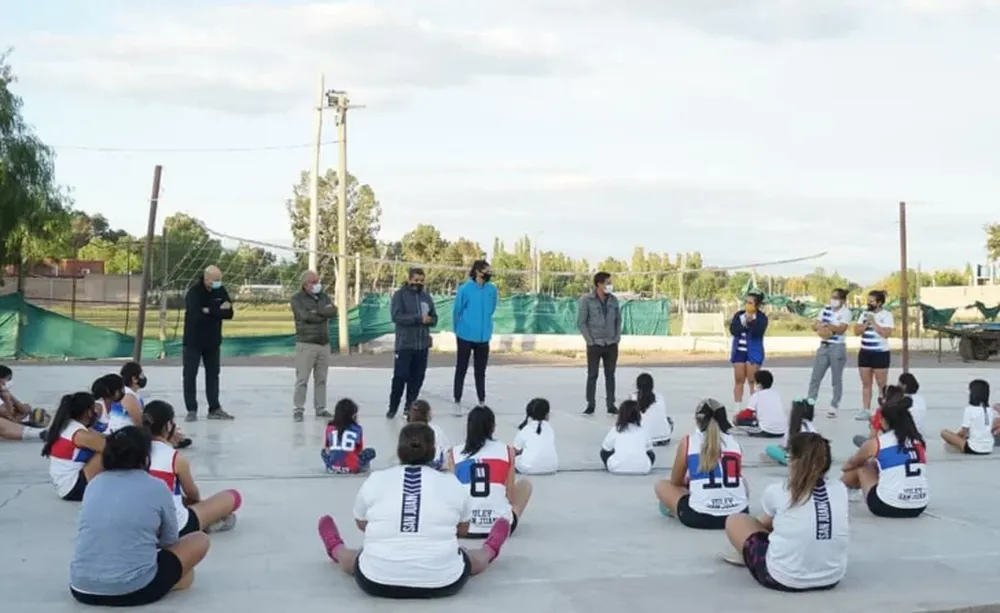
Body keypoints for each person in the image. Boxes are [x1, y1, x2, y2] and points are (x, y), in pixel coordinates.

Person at [315, 423, 512, 599]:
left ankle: (335, 548)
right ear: (433, 450)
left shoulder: (377, 479)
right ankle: (490, 549)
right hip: (442, 581)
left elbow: (361, 523)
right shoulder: (452, 483)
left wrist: (393, 527)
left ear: (399, 450)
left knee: (356, 558)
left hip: (377, 581)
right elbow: (463, 529)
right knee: (471, 559)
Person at [68, 426, 210, 607]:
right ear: (146, 456)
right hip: (132, 589)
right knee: (199, 541)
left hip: (81, 588)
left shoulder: (95, 483)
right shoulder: (157, 487)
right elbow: (170, 540)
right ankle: (170, 581)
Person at [722, 433, 849, 592]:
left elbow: (763, 523)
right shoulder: (840, 489)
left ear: (792, 460)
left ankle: (750, 554)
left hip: (784, 578)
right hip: (831, 578)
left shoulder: (779, 491)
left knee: (736, 521)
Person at [144, 400, 241, 535]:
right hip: (174, 526)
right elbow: (192, 495)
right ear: (168, 426)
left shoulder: (133, 451)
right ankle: (206, 522)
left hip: (141, 522)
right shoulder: (175, 458)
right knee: (233, 497)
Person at [654, 398, 749, 529]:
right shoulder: (734, 444)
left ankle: (676, 511)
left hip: (701, 517)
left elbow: (675, 481)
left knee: (662, 486)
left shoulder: (689, 442)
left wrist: (690, 481)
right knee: (742, 481)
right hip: (737, 515)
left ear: (698, 421)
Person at [447, 406, 533, 537]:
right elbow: (510, 496)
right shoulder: (506, 451)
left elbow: (452, 495)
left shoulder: (455, 453)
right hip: (500, 527)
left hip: (464, 528)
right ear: (493, 427)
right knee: (525, 485)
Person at [842, 396, 928, 518]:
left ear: (885, 421)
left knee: (862, 468)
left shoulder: (878, 442)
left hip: (888, 506)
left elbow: (850, 464)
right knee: (877, 463)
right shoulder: (918, 441)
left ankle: (838, 491)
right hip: (919, 506)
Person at [182, 265, 235, 422]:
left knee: (213, 375)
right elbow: (196, 316)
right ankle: (191, 409)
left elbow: (229, 312)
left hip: (213, 341)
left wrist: (209, 310)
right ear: (206, 278)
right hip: (193, 341)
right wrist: (217, 310)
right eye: (215, 280)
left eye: (220, 279)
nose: (218, 282)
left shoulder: (221, 290)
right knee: (190, 374)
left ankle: (215, 408)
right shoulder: (194, 293)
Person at [387, 268, 437, 419]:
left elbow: (434, 317)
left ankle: (410, 407)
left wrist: (431, 320)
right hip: (405, 345)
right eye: (416, 280)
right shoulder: (400, 295)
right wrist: (418, 319)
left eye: (421, 280)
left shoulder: (426, 297)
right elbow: (397, 316)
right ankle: (393, 407)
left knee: (417, 378)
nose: (418, 283)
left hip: (422, 346)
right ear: (409, 279)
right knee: (400, 377)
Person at [452, 259, 498, 415]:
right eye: (486, 270)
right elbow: (457, 310)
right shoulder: (465, 289)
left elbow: (492, 308)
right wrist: (458, 329)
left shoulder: (492, 289)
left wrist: (485, 327)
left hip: (483, 337)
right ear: (478, 271)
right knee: (461, 368)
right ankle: (457, 399)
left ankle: (482, 400)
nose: (489, 273)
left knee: (481, 370)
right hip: (465, 335)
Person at [42, 392, 106, 501]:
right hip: (73, 488)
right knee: (109, 452)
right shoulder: (78, 434)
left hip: (65, 486)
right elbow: (110, 446)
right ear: (88, 412)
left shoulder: (69, 426)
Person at [110, 362, 192, 448]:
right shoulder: (128, 396)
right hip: (123, 436)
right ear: (134, 379)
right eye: (141, 375)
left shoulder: (132, 395)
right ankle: (172, 439)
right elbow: (140, 423)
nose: (143, 377)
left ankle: (173, 437)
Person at [291, 269, 336, 422]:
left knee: (321, 378)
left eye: (318, 281)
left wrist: (317, 312)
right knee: (302, 378)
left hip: (324, 343)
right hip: (306, 343)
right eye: (314, 282)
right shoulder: (297, 299)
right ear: (305, 284)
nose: (318, 285)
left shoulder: (324, 297)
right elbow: (305, 316)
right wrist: (322, 312)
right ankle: (298, 409)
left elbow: (333, 311)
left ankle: (321, 408)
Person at [577, 271, 621, 415]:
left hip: (611, 344)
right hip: (595, 344)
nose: (610, 285)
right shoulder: (586, 300)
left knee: (610, 375)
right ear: (599, 284)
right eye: (608, 283)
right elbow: (582, 322)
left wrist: (616, 338)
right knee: (592, 375)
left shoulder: (614, 300)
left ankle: (611, 404)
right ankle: (591, 404)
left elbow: (618, 320)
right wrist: (590, 341)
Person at [806, 289, 853, 419]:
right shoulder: (824, 310)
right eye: (832, 297)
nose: (833, 300)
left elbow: (841, 329)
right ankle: (810, 403)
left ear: (843, 300)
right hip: (824, 346)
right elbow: (815, 325)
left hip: (837, 347)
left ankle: (834, 405)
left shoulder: (846, 312)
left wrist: (827, 326)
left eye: (836, 298)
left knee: (836, 379)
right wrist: (818, 326)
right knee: (815, 377)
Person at [853, 289, 894, 421]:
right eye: (868, 301)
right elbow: (856, 330)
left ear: (879, 302)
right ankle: (865, 409)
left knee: (881, 384)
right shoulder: (864, 313)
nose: (869, 303)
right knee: (866, 383)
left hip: (880, 353)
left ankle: (883, 410)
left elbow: (886, 333)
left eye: (872, 301)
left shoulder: (887, 315)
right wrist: (866, 323)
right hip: (865, 352)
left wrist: (874, 323)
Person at [729, 292, 769, 406]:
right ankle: (737, 407)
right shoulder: (739, 315)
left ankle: (753, 408)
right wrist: (744, 323)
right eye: (746, 302)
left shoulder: (761, 318)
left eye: (750, 303)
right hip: (739, 351)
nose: (748, 304)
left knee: (752, 381)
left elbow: (758, 332)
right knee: (739, 380)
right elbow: (733, 330)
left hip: (754, 352)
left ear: (757, 304)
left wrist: (752, 322)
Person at [941, 379, 999, 455]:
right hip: (989, 447)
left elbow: (964, 432)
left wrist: (955, 438)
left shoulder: (969, 409)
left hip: (974, 448)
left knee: (944, 433)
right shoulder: (990, 410)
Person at [322, 398, 377, 474]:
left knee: (323, 452)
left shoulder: (329, 428)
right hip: (353, 467)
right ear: (353, 416)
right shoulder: (357, 429)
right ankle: (360, 467)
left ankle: (333, 466)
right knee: (371, 451)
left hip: (333, 467)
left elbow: (327, 448)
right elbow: (359, 449)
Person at [600, 400, 655, 475]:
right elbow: (649, 450)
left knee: (605, 452)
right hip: (643, 468)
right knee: (651, 454)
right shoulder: (643, 430)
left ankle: (619, 463)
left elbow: (605, 449)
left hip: (617, 468)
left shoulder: (617, 429)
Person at [763, 398, 817, 466]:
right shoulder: (811, 426)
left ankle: (788, 461)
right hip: (814, 460)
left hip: (799, 460)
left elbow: (786, 446)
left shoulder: (793, 427)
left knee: (770, 449)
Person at [513, 398, 559, 475]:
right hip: (552, 466)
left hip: (531, 468)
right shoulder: (550, 428)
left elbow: (515, 450)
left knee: (515, 458)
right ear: (547, 415)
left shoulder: (526, 429)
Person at [734, 370, 784, 438]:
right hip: (781, 431)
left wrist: (737, 416)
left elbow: (748, 413)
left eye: (755, 382)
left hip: (766, 430)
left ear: (759, 384)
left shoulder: (757, 395)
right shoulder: (776, 394)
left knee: (739, 420)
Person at [0, 364, 50, 428]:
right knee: (10, 412)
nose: (5, 384)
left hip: (8, 420)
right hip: (5, 422)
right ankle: (16, 424)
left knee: (23, 409)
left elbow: (25, 409)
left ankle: (16, 423)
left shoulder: (4, 392)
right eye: (6, 380)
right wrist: (7, 400)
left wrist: (9, 395)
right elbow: (8, 414)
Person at [632, 373, 673, 446]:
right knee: (668, 420)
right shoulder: (660, 397)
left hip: (642, 440)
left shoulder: (633, 397)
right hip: (664, 438)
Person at [408, 399, 449, 470]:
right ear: (428, 414)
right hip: (435, 469)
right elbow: (446, 451)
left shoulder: (406, 431)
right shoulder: (437, 430)